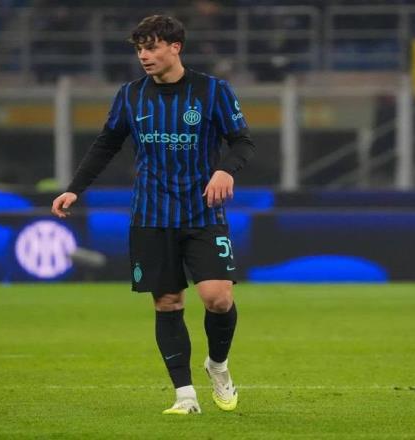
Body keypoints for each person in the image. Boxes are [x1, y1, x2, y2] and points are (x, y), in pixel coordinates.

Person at [52, 15, 255, 415]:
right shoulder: (130, 95)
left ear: (175, 47)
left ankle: (217, 365)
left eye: (152, 47)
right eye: (139, 49)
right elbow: (106, 144)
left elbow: (242, 141)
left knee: (217, 298)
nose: (144, 56)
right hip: (151, 214)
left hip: (202, 212)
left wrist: (225, 170)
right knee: (167, 302)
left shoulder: (212, 91)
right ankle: (185, 396)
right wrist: (75, 188)